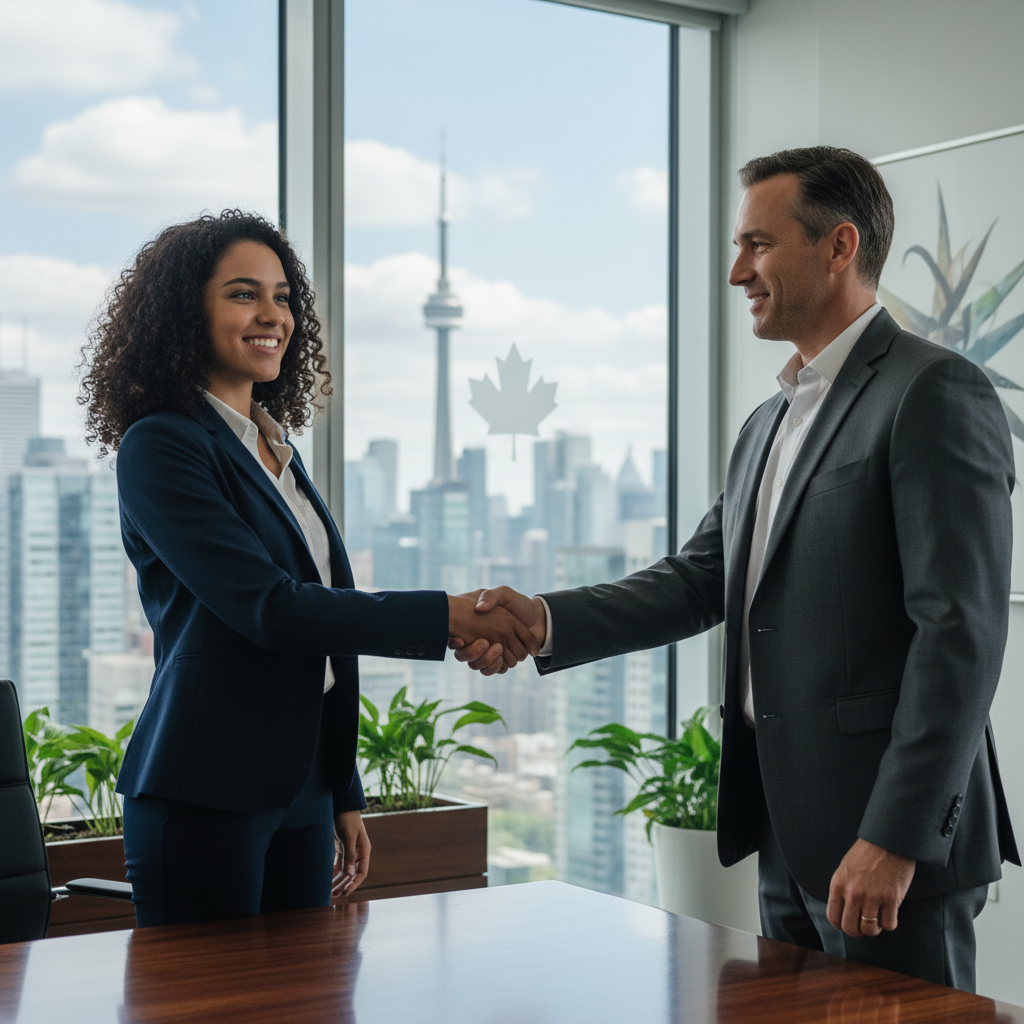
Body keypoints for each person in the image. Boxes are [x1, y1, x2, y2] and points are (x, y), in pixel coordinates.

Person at [456, 147, 1019, 991]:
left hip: (883, 846)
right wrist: (542, 620)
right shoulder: (768, 423)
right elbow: (697, 579)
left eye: (758, 244)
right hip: (784, 834)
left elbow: (960, 634)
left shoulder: (934, 391)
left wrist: (894, 837)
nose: (736, 272)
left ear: (838, 247)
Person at [80, 210, 538, 927]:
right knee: (211, 990)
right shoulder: (161, 446)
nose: (273, 315)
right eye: (243, 294)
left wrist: (340, 789)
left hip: (304, 790)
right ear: (184, 312)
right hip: (207, 788)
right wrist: (446, 614)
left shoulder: (275, 450)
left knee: (309, 985)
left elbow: (319, 642)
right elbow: (273, 609)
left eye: (284, 297)